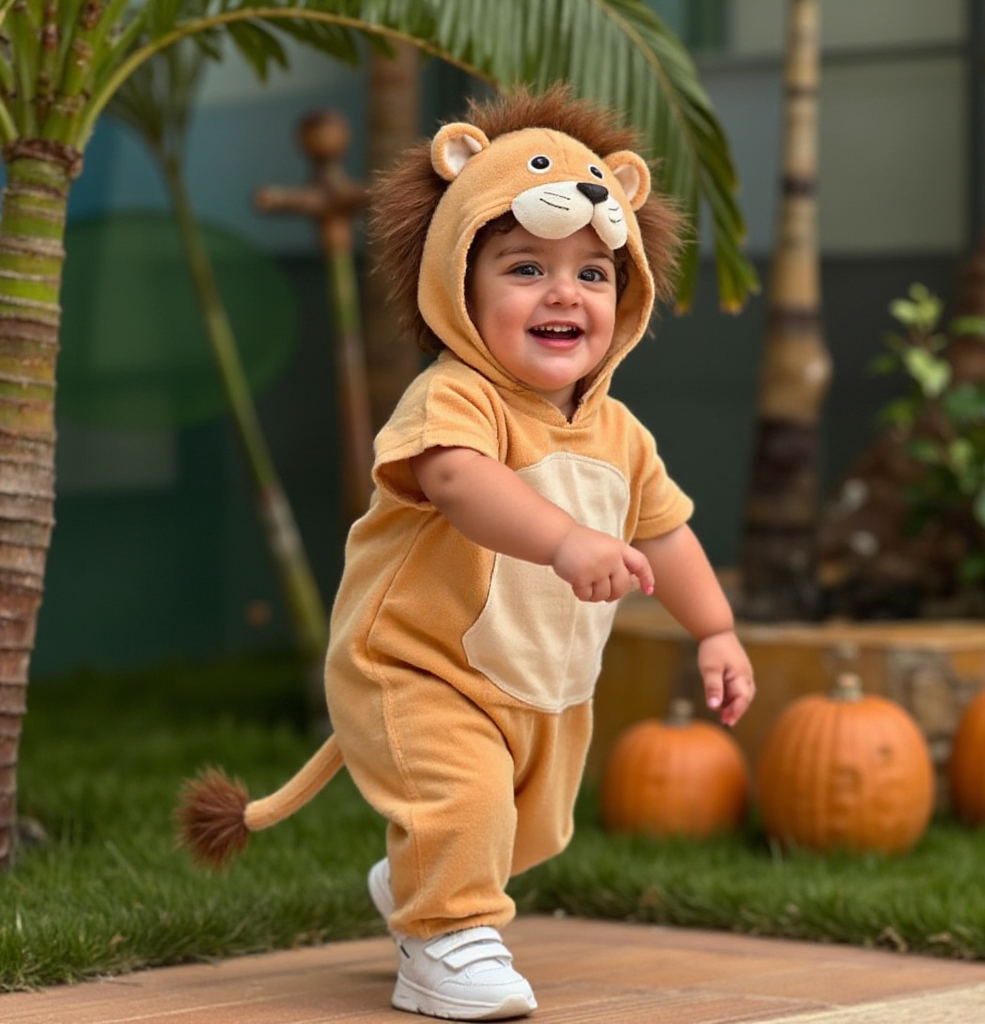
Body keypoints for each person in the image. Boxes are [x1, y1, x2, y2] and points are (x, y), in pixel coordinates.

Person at [177, 85, 755, 1023]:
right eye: (525, 268)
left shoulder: (621, 433)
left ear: (629, 293)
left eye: (594, 275)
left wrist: (717, 631)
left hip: (540, 683)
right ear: (458, 286)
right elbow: (457, 483)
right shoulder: (457, 398)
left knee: (531, 828)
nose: (564, 292)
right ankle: (444, 944)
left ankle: (418, 875)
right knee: (466, 803)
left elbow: (666, 531)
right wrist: (564, 539)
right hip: (416, 661)